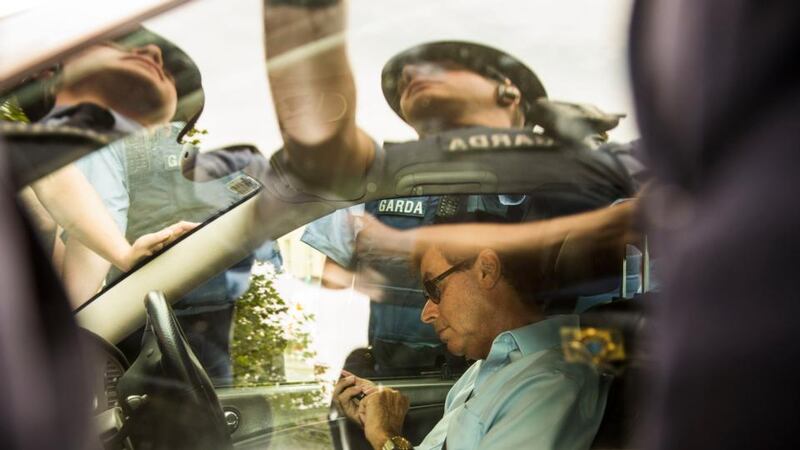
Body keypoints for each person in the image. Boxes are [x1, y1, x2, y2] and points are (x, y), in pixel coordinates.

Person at [271, 4, 634, 375]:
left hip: (524, 395)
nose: (411, 73)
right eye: (403, 80)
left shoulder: (584, 183)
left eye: (440, 66)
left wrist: (558, 374)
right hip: (400, 390)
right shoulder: (371, 186)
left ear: (508, 90)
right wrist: (335, 368)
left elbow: (621, 332)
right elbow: (327, 299)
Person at [333, 243, 610, 450]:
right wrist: (377, 418)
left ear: (486, 270)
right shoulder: (487, 367)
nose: (426, 313)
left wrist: (386, 438)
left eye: (433, 289)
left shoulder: (554, 382)